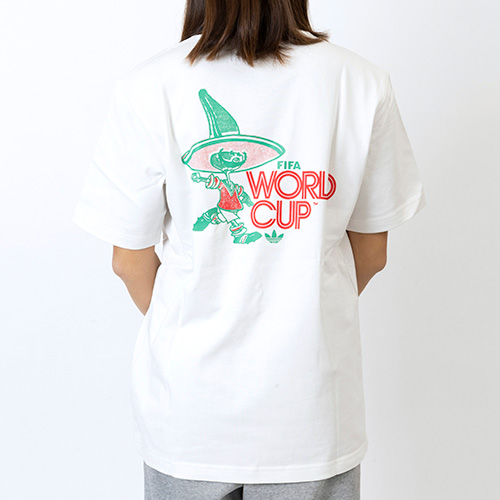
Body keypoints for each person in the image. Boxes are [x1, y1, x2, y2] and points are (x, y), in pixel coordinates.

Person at [72, 0, 426, 498]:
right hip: (311, 411)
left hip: (188, 413)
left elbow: (128, 261)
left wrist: (192, 314)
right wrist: (303, 306)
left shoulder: (149, 86)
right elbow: (371, 252)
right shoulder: (360, 83)